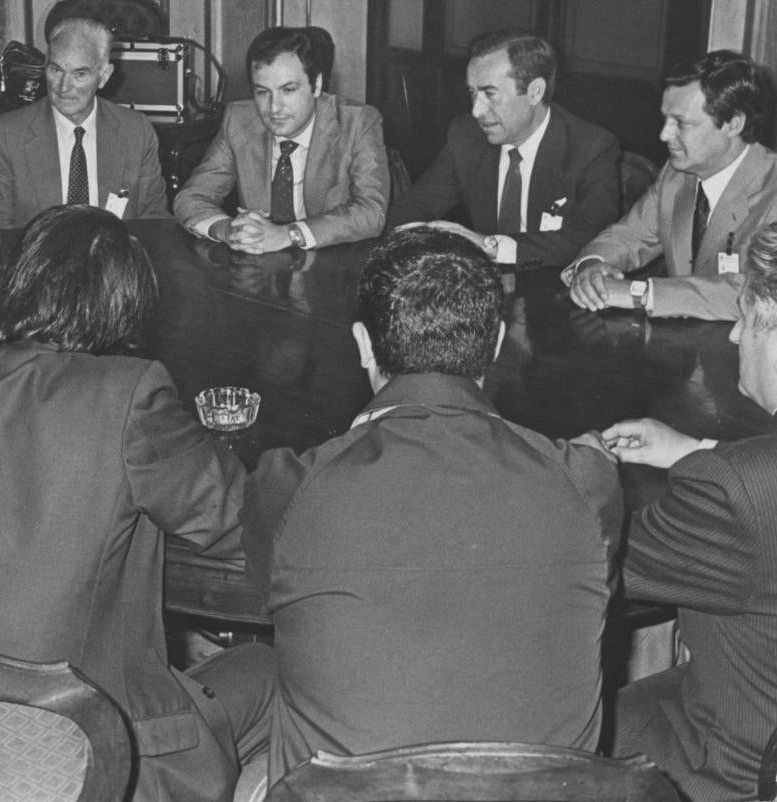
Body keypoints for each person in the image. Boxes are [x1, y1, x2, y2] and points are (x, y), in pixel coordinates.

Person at [0, 205, 274, 802]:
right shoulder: (127, 395)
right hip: (65, 751)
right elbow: (234, 519)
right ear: (126, 307)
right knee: (271, 668)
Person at [242, 227, 622, 788]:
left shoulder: (288, 485)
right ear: (495, 344)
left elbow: (264, 604)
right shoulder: (588, 484)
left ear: (364, 344)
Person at [600, 222, 777, 801]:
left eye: (748, 317)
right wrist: (693, 451)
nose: (732, 340)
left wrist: (573, 462)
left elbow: (599, 556)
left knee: (544, 731)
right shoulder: (742, 473)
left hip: (735, 762)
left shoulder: (735, 487)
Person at [566, 50, 777, 320]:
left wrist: (641, 293)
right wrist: (592, 268)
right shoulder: (676, 176)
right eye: (665, 119)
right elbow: (627, 237)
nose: (664, 134)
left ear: (733, 124)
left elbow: (759, 292)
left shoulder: (771, 188)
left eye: (681, 123)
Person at [386, 29, 620, 270]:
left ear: (534, 92)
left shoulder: (591, 148)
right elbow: (413, 207)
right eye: (473, 93)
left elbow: (590, 240)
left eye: (490, 94)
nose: (477, 111)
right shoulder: (466, 136)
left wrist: (492, 247)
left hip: (553, 291)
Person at [173, 26, 389, 253]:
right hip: (259, 266)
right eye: (263, 92)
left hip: (332, 263)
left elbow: (372, 211)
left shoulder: (358, 122)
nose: (274, 108)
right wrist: (228, 230)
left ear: (316, 85)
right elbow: (190, 197)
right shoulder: (238, 120)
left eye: (288, 90)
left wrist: (288, 234)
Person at [0, 16, 169, 229]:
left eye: (80, 74)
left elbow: (154, 220)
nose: (63, 86)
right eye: (56, 70)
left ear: (104, 76)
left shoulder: (136, 132)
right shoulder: (9, 133)